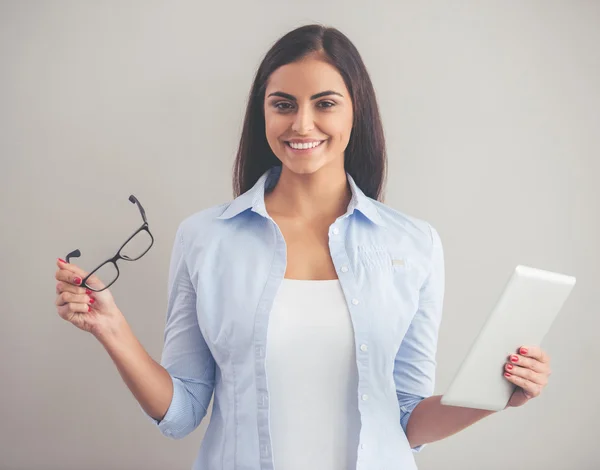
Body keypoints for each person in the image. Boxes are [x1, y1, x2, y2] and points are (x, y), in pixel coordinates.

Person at [54, 24, 552, 470]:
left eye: (325, 103)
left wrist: (495, 397)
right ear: (263, 114)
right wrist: (110, 327)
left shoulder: (414, 243)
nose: (302, 125)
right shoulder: (204, 238)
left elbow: (406, 420)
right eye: (283, 104)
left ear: (356, 112)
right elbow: (182, 413)